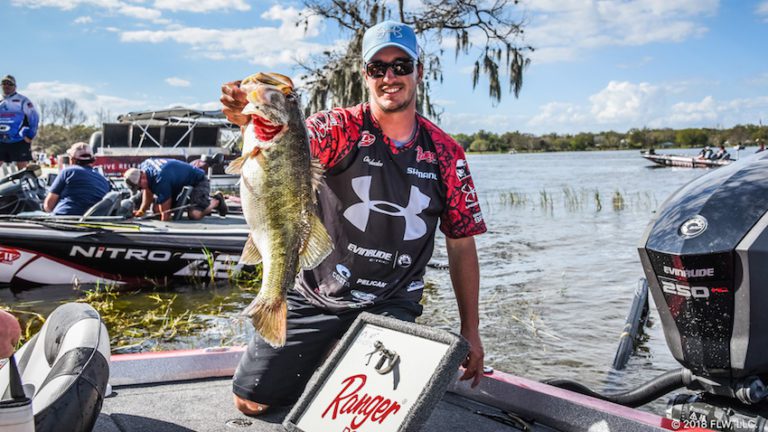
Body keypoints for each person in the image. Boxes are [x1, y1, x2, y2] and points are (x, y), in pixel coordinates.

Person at [221, 20, 486, 415]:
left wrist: (471, 331)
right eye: (378, 68)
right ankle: (330, 346)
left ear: (419, 71)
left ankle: (343, 351)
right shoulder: (338, 128)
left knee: (371, 412)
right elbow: (292, 145)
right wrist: (247, 117)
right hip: (317, 291)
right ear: (365, 76)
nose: (390, 76)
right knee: (251, 402)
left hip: (392, 300)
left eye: (401, 65)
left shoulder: (447, 153)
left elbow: (462, 244)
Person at [123, 158, 226, 221]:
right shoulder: (144, 167)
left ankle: (216, 201)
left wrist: (164, 229)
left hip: (198, 181)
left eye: (139, 187)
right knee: (155, 211)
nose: (140, 189)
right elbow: (147, 190)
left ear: (142, 178)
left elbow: (166, 214)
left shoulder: (160, 179)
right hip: (178, 183)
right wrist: (142, 211)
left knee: (195, 215)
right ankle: (196, 204)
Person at [44, 142, 110, 215]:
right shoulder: (103, 179)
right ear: (92, 160)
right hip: (91, 220)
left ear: (72, 159)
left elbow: (48, 206)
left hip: (63, 219)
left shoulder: (67, 172)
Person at [0, 75, 39, 169]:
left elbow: (34, 117)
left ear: (15, 86)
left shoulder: (23, 100)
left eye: (10, 84)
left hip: (19, 139)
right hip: (1, 139)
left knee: (22, 170)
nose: (7, 86)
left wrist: (30, 135)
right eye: (4, 83)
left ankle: (23, 183)